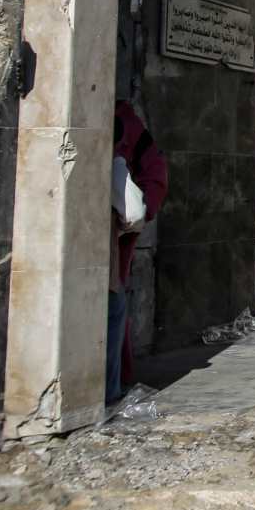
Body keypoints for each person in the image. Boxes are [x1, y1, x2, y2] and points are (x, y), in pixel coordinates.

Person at [111, 101, 167, 388]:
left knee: (113, 303)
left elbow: (154, 175)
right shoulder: (123, 122)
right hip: (111, 228)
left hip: (113, 232)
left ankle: (111, 387)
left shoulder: (125, 124)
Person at [107, 149, 146, 404]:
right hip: (103, 270)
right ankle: (107, 395)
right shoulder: (114, 164)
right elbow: (134, 213)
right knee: (113, 315)